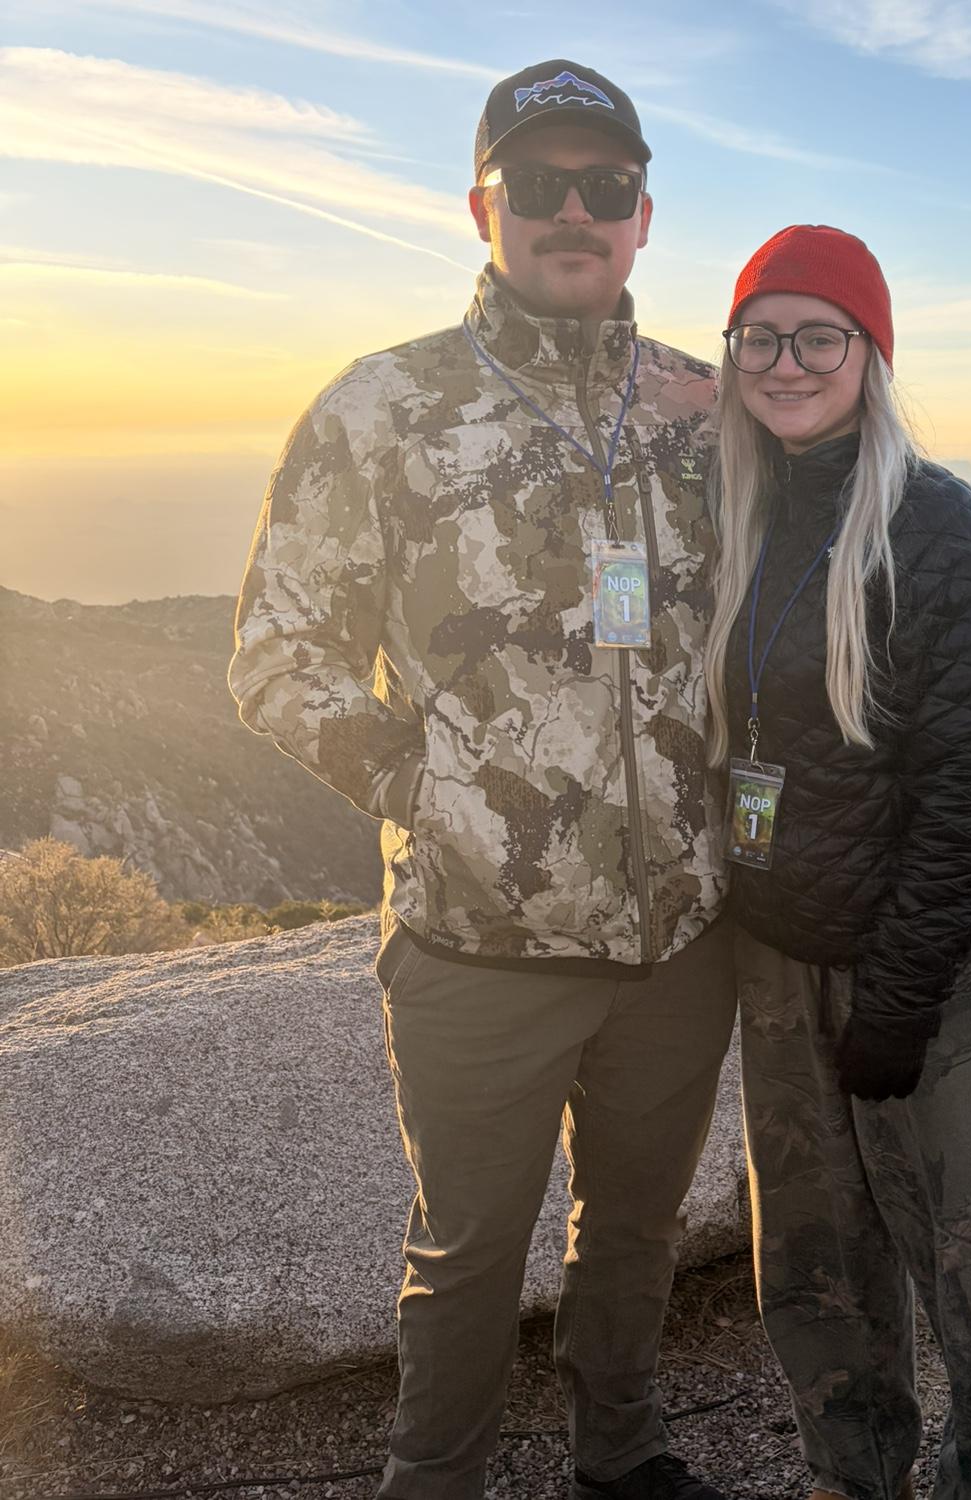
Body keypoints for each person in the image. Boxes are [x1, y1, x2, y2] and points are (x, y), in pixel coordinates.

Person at [228, 59, 736, 1500]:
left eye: (606, 186)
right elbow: (275, 655)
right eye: (540, 185)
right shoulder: (382, 408)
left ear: (644, 216)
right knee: (467, 1253)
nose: (575, 211)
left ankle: (621, 1456)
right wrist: (430, 793)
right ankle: (434, 1477)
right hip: (477, 938)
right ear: (483, 208)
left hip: (682, 938)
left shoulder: (703, 411)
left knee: (636, 1231)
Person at [705, 225, 971, 1500]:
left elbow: (965, 794)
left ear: (871, 355)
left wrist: (897, 998)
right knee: (815, 1272)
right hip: (780, 959)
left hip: (927, 968)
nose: (786, 363)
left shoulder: (937, 526)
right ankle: (852, 1479)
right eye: (760, 338)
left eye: (819, 337)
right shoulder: (739, 507)